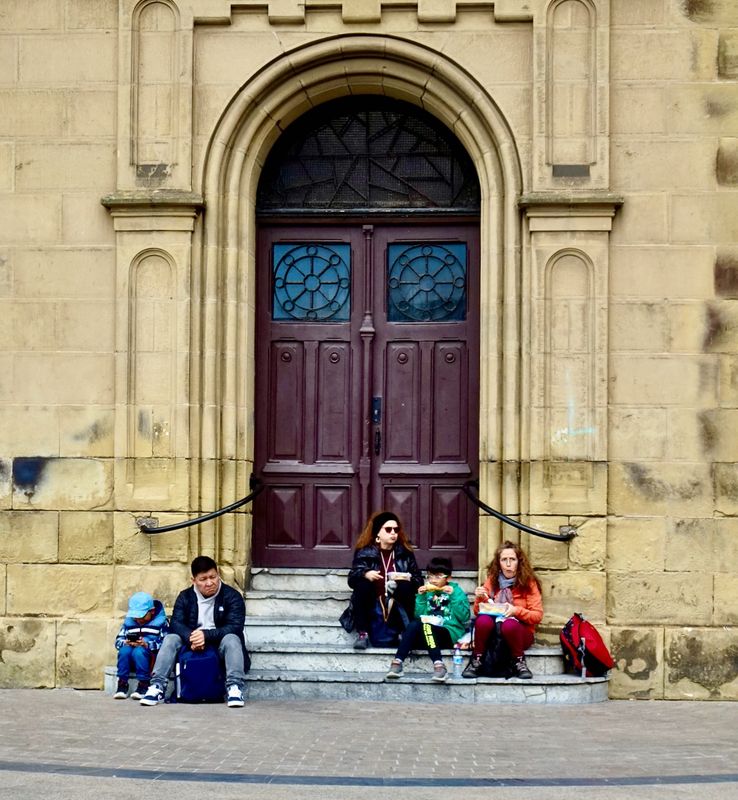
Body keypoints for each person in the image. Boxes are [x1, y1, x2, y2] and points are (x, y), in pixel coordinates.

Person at [139, 555, 249, 708]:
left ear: (218, 575)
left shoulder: (232, 596)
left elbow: (235, 626)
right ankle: (157, 686)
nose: (209, 583)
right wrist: (193, 638)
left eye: (213, 577)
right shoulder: (185, 597)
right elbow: (176, 623)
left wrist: (206, 636)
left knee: (232, 638)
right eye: (203, 579)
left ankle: (234, 687)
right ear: (194, 580)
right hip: (191, 643)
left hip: (219, 645)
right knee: (171, 638)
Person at [462, 540, 543, 680]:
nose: (508, 564)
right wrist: (480, 598)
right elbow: (478, 612)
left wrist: (515, 611)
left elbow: (537, 616)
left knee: (509, 624)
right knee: (483, 620)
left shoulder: (528, 583)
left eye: (512, 559)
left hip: (519, 632)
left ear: (519, 562)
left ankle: (519, 662)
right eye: (504, 559)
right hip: (494, 632)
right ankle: (477, 660)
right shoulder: (492, 580)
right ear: (498, 563)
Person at [385, 556, 470, 683]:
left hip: (449, 632)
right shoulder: (428, 592)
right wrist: (421, 598)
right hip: (429, 633)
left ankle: (439, 665)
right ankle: (397, 662)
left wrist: (453, 597)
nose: (433, 580)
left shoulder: (456, 592)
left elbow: (464, 617)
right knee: (414, 624)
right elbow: (419, 616)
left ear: (448, 578)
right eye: (430, 576)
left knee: (426, 626)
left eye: (438, 576)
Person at [347, 511, 423, 649]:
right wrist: (365, 573)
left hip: (396, 601)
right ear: (378, 533)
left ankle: (403, 632)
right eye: (388, 529)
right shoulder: (365, 552)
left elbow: (419, 580)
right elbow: (352, 579)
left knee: (405, 587)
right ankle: (363, 633)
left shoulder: (405, 553)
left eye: (396, 529)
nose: (393, 533)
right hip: (373, 601)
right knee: (362, 586)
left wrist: (405, 578)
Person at [113, 591, 168, 700]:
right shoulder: (129, 624)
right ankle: (122, 683)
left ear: (152, 611)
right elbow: (118, 640)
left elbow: (164, 643)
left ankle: (144, 684)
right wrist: (125, 642)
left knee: (139, 651)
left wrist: (147, 644)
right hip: (130, 658)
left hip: (149, 658)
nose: (138, 620)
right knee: (124, 651)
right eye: (135, 617)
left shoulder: (161, 623)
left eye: (141, 616)